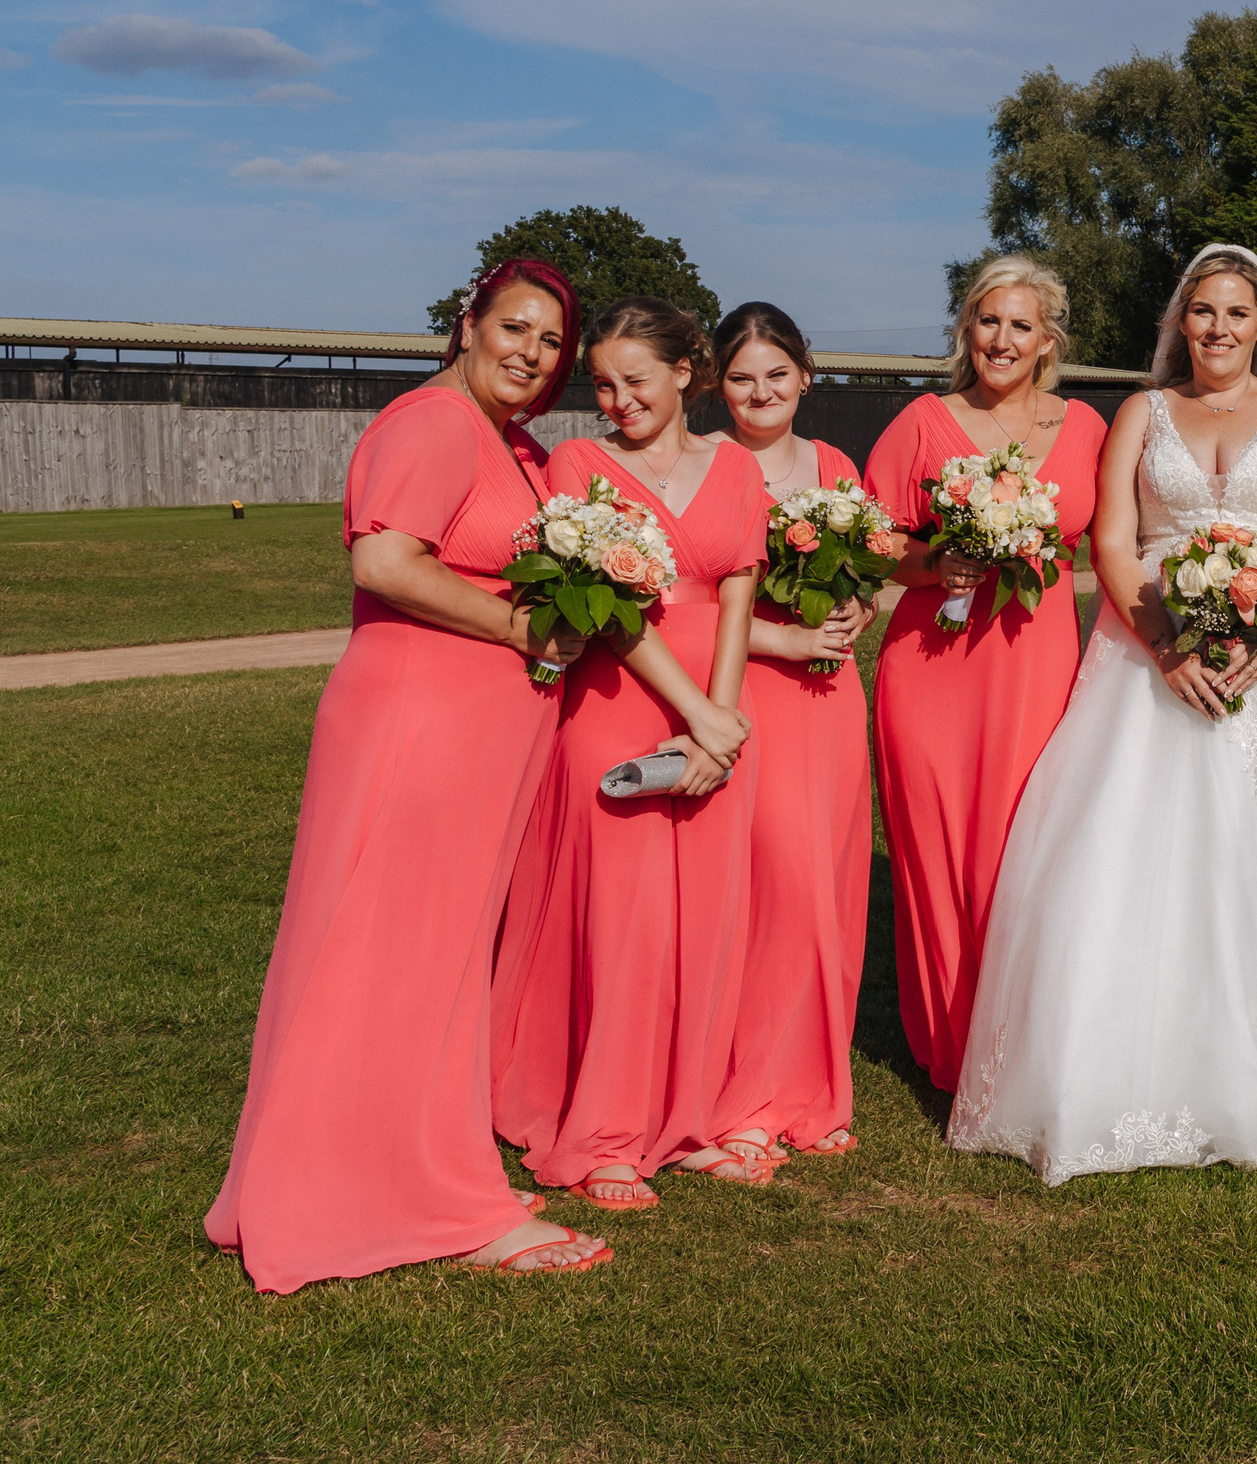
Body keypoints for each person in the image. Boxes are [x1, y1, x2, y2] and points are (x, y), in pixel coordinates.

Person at [206, 258, 611, 1289]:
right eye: (513, 328)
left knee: (425, 960)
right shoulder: (431, 423)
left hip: (471, 730)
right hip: (418, 723)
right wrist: (527, 628)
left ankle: (420, 1163)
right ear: (467, 324)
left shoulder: (505, 442)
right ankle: (415, 1196)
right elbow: (385, 562)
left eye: (551, 340)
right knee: (391, 956)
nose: (531, 352)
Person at [945, 244, 1257, 1183]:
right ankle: (1107, 1069)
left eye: (1234, 313)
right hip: (1148, 654)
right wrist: (1170, 649)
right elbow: (1111, 538)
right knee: (1124, 855)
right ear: (1181, 322)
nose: (1217, 329)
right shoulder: (1141, 410)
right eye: (1201, 312)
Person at [489, 297, 769, 1208]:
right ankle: (606, 1131)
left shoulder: (735, 466)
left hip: (715, 721)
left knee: (705, 923)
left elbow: (735, 593)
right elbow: (608, 618)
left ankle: (686, 1119)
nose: (616, 400)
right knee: (627, 921)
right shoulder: (580, 464)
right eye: (602, 384)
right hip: (618, 708)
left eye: (634, 381)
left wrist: (719, 725)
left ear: (686, 373)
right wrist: (692, 712)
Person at [865, 257, 1109, 1094]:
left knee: (1026, 852)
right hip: (932, 666)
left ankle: (1026, 1046)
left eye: (1020, 325)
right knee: (939, 856)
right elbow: (876, 539)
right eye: (987, 322)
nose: (1001, 340)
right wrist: (941, 560)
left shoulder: (1085, 430)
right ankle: (954, 1046)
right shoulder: (926, 422)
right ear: (967, 331)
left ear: (1049, 340)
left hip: (1038, 667)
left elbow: (1114, 540)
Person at [701, 302, 879, 1167]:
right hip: (754, 693)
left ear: (806, 376)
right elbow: (693, 607)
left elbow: (870, 574)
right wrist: (788, 637)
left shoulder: (837, 465)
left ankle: (815, 1081)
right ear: (717, 385)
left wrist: (854, 609)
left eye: (777, 374)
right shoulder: (710, 467)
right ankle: (748, 1092)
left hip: (833, 700)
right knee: (774, 887)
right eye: (742, 377)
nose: (761, 391)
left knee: (831, 889)